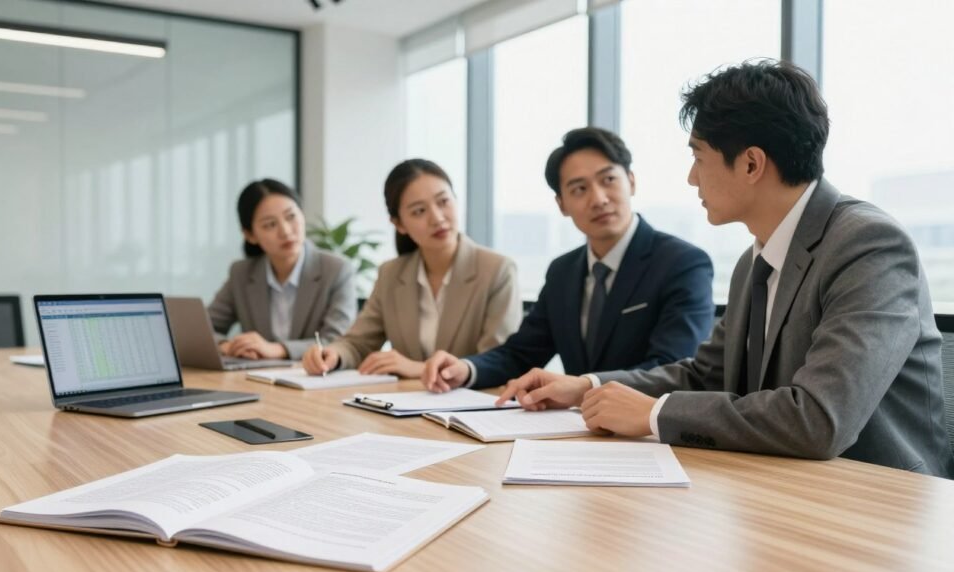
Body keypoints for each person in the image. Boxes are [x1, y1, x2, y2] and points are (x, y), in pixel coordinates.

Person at [497, 60, 954, 478]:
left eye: (698, 158)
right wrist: (587, 387)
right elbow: (705, 375)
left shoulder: (868, 245)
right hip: (778, 487)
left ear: (751, 163)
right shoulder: (752, 261)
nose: (691, 178)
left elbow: (818, 420)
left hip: (878, 505)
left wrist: (655, 414)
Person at [422, 127, 714, 392]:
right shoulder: (563, 271)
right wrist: (466, 369)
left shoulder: (683, 263)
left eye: (608, 179)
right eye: (579, 189)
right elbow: (521, 353)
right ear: (561, 204)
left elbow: (671, 367)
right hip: (575, 431)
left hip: (647, 435)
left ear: (632, 182)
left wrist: (585, 386)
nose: (598, 198)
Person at [301, 159, 522, 379]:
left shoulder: (497, 270)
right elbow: (359, 342)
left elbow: (498, 361)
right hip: (406, 404)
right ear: (399, 224)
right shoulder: (391, 274)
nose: (437, 218)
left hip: (471, 408)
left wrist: (420, 369)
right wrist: (333, 355)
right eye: (419, 211)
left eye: (443, 201)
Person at [208, 179, 357, 360]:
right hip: (257, 382)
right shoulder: (242, 273)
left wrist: (278, 349)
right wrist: (227, 346)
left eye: (291, 216)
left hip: (316, 381)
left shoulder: (337, 270)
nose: (286, 231)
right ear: (250, 235)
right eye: (270, 224)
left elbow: (337, 341)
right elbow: (202, 329)